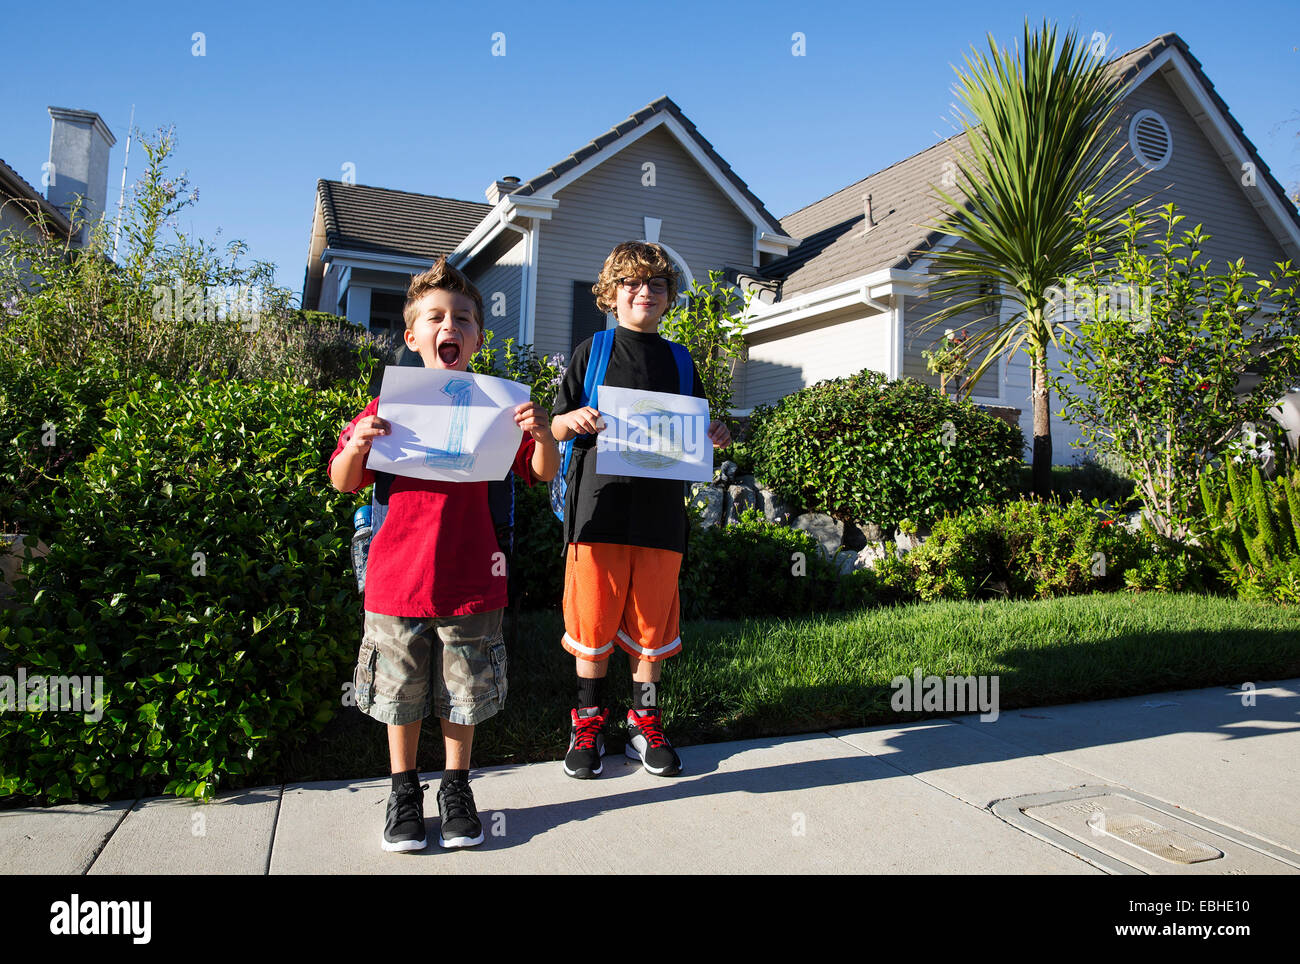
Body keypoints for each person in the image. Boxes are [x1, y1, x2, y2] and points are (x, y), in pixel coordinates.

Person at [328, 256, 558, 851]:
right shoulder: (384, 410)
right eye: (434, 317)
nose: (447, 326)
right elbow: (343, 481)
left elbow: (538, 473)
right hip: (396, 578)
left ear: (478, 336)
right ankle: (403, 789)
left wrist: (542, 434)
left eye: (461, 318)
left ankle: (456, 787)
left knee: (465, 688)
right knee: (399, 692)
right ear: (412, 336)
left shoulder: (497, 410)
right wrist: (357, 442)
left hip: (472, 578)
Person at [550, 241, 730, 779]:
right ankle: (588, 722)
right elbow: (554, 426)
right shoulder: (593, 351)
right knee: (593, 622)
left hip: (659, 518)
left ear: (670, 296)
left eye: (655, 284)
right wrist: (574, 419)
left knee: (651, 629)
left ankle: (643, 721)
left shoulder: (679, 359)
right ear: (611, 293)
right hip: (596, 513)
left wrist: (714, 433)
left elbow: (695, 432)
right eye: (631, 283)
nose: (644, 292)